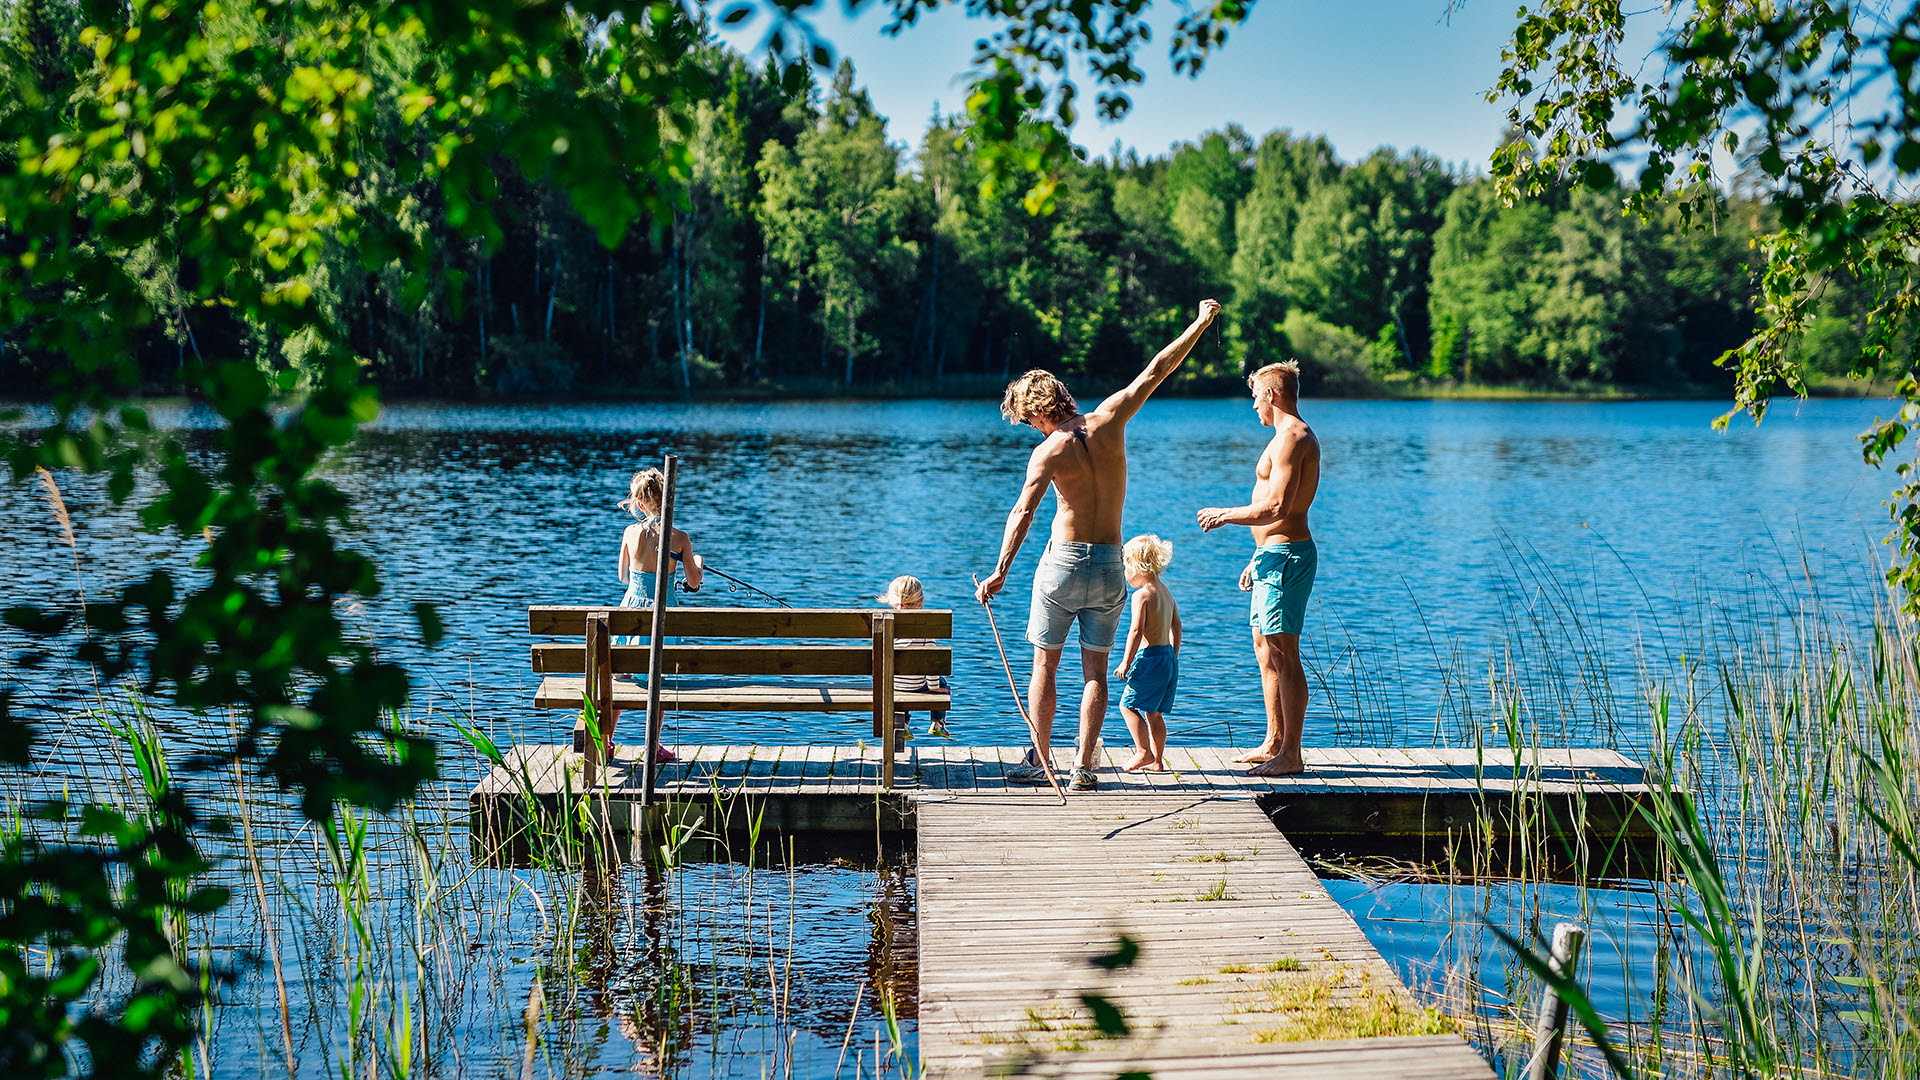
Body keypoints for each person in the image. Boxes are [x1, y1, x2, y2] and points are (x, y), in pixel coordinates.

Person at [977, 298, 1223, 792]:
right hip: (1111, 562)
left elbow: (1023, 512)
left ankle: (1040, 761)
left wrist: (999, 571)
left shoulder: (1048, 450)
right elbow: (1157, 369)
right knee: (1096, 671)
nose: (1032, 428)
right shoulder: (1111, 418)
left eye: (1029, 420)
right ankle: (1083, 768)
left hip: (1062, 564)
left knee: (1045, 664)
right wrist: (1199, 322)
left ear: (1038, 412)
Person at [1196, 360, 1321, 777]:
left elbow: (1278, 507)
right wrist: (1255, 556)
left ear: (1271, 394)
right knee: (1266, 651)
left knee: (1285, 655)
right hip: (1271, 557)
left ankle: (1292, 754)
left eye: (1254, 396)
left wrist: (1225, 515)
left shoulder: (1293, 438)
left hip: (1287, 557)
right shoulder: (1281, 437)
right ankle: (1273, 741)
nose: (1253, 406)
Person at [614, 467, 705, 763]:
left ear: (639, 503)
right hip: (663, 614)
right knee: (659, 678)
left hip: (631, 610)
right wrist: (697, 562)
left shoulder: (629, 533)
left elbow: (623, 576)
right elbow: (693, 582)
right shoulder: (679, 538)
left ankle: (606, 741)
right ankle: (652, 746)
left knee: (623, 675)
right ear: (669, 500)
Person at [1113, 534, 1181, 772]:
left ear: (1138, 566)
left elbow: (1136, 630)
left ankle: (1143, 752)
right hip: (1167, 657)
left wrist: (1125, 662)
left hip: (1149, 657)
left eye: (1126, 567)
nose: (1124, 573)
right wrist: (1173, 654)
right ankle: (1158, 761)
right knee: (1154, 712)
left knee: (1127, 705)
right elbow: (1177, 626)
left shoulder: (1142, 595)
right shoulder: (1165, 592)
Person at [876, 575, 952, 739]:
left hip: (890, 684)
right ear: (921, 600)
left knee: (901, 686)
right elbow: (931, 662)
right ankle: (937, 723)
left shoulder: (883, 622)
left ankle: (903, 726)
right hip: (917, 685)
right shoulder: (925, 627)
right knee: (943, 684)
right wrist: (933, 687)